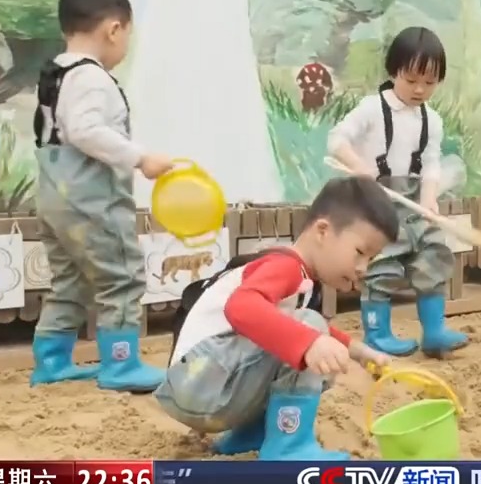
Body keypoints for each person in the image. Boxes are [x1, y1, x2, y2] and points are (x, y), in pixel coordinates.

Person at [155, 177, 397, 460]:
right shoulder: (285, 266)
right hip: (201, 380)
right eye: (360, 252)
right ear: (323, 231)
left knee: (313, 339)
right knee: (310, 335)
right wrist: (311, 342)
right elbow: (242, 307)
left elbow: (303, 329)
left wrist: (360, 352)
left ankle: (254, 434)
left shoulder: (299, 277)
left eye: (371, 260)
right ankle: (288, 446)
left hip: (201, 384)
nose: (363, 268)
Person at [29, 0, 175, 394]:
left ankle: (52, 360)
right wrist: (141, 158)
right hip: (90, 199)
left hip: (55, 197)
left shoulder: (57, 72)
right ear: (114, 29)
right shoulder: (92, 77)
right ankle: (121, 363)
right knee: (122, 275)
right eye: (127, 34)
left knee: (70, 281)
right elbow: (85, 130)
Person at [327, 27, 468, 358]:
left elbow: (431, 164)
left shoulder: (432, 120)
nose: (419, 89)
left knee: (433, 254)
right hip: (375, 202)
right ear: (394, 71)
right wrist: (358, 166)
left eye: (429, 82)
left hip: (414, 200)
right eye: (411, 80)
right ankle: (377, 334)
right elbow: (336, 140)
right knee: (383, 264)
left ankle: (434, 331)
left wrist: (429, 198)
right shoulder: (371, 108)